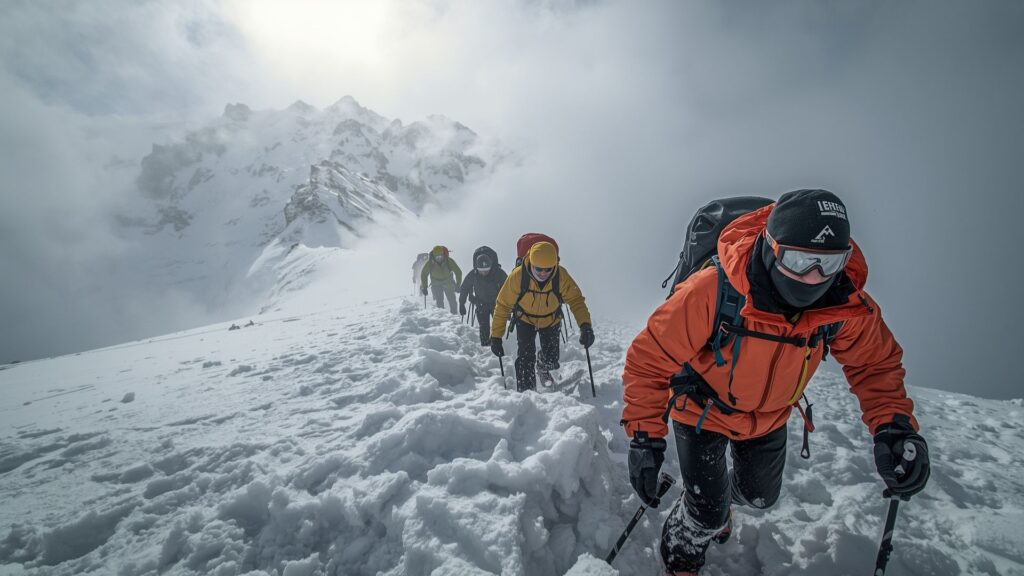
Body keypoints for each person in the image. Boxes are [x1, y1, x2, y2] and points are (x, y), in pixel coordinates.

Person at [620, 190, 930, 575]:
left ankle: (717, 503)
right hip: (701, 409)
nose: (814, 277)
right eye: (798, 260)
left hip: (768, 417)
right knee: (705, 513)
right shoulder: (713, 290)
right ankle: (683, 557)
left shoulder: (842, 302)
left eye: (829, 263)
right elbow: (649, 358)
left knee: (760, 498)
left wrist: (894, 427)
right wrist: (645, 439)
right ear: (771, 248)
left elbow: (874, 364)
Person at [489, 241, 595, 391]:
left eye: (548, 269)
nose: (543, 273)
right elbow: (503, 305)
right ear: (532, 263)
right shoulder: (518, 276)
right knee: (525, 357)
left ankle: (542, 365)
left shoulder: (561, 276)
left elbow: (576, 300)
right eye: (538, 269)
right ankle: (527, 393)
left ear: (554, 265)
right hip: (525, 319)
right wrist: (496, 336)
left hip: (551, 320)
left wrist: (585, 326)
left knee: (552, 359)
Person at [459, 246, 509, 346]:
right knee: (484, 326)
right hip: (481, 303)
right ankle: (485, 346)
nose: (484, 272)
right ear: (476, 268)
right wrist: (461, 303)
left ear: (491, 266)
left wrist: (510, 306)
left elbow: (509, 289)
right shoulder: (473, 274)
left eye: (486, 270)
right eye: (481, 270)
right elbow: (464, 288)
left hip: (497, 304)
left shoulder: (499, 273)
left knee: (498, 325)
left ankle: (500, 345)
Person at [420, 245, 462, 314]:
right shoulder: (430, 262)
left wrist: (458, 285)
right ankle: (442, 316)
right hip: (436, 284)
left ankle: (454, 315)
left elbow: (458, 272)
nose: (439, 258)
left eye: (441, 256)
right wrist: (424, 287)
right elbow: (424, 274)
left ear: (443, 255)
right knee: (439, 301)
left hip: (448, 282)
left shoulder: (449, 261)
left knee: (452, 301)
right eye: (437, 257)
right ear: (434, 256)